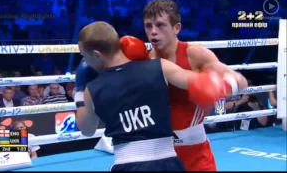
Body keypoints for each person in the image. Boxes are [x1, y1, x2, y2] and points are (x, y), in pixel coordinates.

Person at [75, 21, 239, 171]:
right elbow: (202, 84)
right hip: (169, 163)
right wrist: (230, 81)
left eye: (85, 56)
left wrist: (80, 91)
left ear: (96, 55)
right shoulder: (160, 67)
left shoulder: (92, 89)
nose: (85, 61)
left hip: (128, 164)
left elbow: (87, 130)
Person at [142, 0, 248, 171]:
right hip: (154, 151)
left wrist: (219, 87)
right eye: (148, 26)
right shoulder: (142, 59)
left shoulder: (194, 55)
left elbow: (240, 80)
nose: (153, 32)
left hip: (194, 153)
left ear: (177, 28)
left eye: (160, 25)